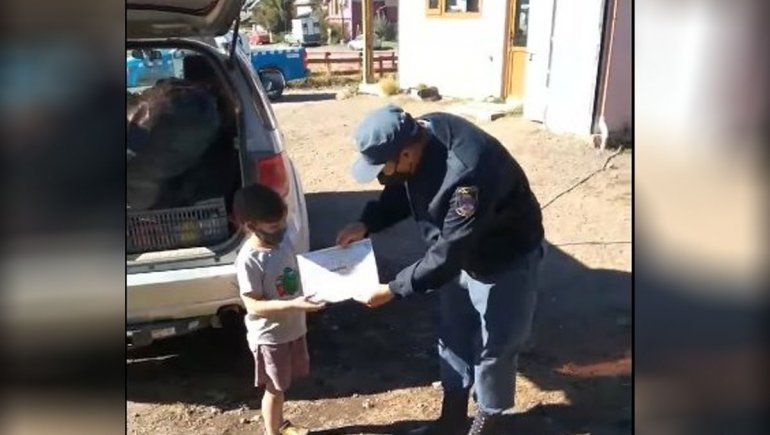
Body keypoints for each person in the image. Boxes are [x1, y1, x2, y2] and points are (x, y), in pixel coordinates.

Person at [337, 105, 546, 435]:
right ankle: (450, 422)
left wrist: (393, 289)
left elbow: (449, 254)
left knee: (495, 347)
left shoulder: (467, 175)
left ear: (406, 152)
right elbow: (399, 187)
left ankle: (485, 423)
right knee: (453, 334)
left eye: (383, 168)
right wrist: (368, 222)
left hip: (502, 259)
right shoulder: (419, 136)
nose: (382, 175)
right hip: (457, 252)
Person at [234, 183, 327, 435]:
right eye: (274, 227)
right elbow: (252, 304)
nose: (281, 230)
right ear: (251, 226)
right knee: (275, 388)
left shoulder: (284, 242)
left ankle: (279, 423)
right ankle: (272, 432)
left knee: (283, 383)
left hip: (293, 328)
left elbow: (297, 272)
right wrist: (293, 304)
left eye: (282, 222)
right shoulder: (249, 259)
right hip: (271, 336)